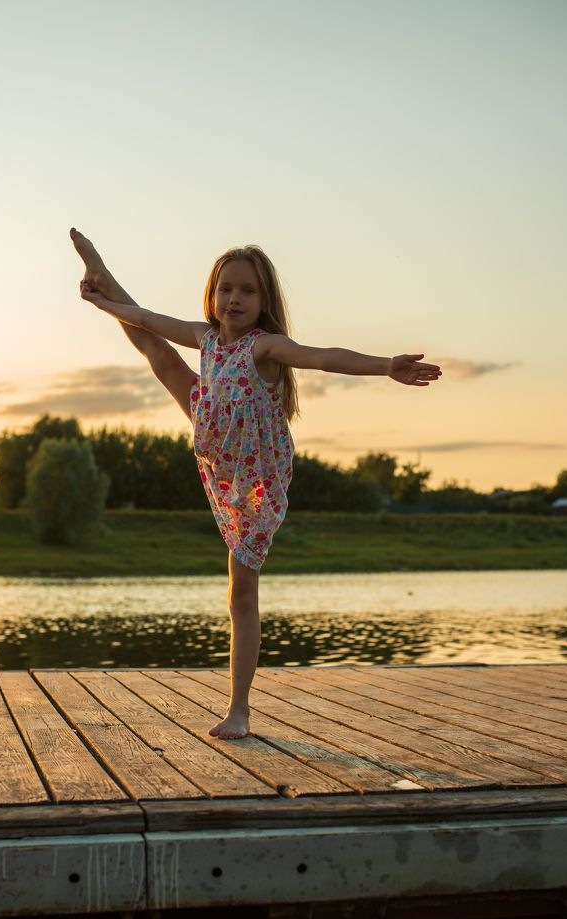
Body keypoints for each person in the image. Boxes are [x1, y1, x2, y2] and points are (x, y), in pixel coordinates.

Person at [70, 227, 442, 740]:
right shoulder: (205, 337)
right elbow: (147, 319)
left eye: (247, 290)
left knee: (241, 593)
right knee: (157, 350)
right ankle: (102, 271)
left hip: (256, 480)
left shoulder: (265, 346)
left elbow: (323, 356)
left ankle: (239, 709)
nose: (235, 299)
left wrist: (385, 367)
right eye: (226, 288)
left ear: (264, 301)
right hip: (213, 439)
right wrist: (104, 300)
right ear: (212, 294)